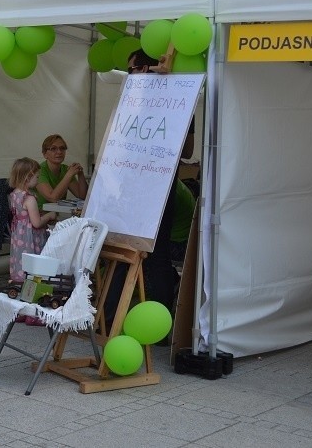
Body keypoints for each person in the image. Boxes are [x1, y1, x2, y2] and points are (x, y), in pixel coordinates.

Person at [102, 49, 194, 336]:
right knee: (123, 250)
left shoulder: (175, 97)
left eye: (134, 70)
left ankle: (158, 325)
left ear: (147, 68)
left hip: (156, 189)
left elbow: (187, 151)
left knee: (154, 256)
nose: (130, 76)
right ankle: (109, 319)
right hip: (132, 187)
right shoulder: (132, 99)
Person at [8, 157, 57, 326]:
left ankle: (21, 311)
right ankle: (33, 314)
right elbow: (36, 223)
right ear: (28, 177)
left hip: (19, 240)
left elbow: (23, 216)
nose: (38, 180)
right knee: (35, 275)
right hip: (31, 241)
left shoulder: (14, 195)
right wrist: (49, 216)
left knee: (22, 274)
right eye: (36, 176)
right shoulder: (30, 198)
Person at [34, 134, 88, 208]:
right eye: (53, 149)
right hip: (39, 217)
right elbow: (53, 198)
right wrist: (69, 175)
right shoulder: (39, 170)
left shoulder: (66, 170)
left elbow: (82, 197)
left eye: (62, 148)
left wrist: (80, 174)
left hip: (56, 216)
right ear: (44, 154)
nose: (59, 152)